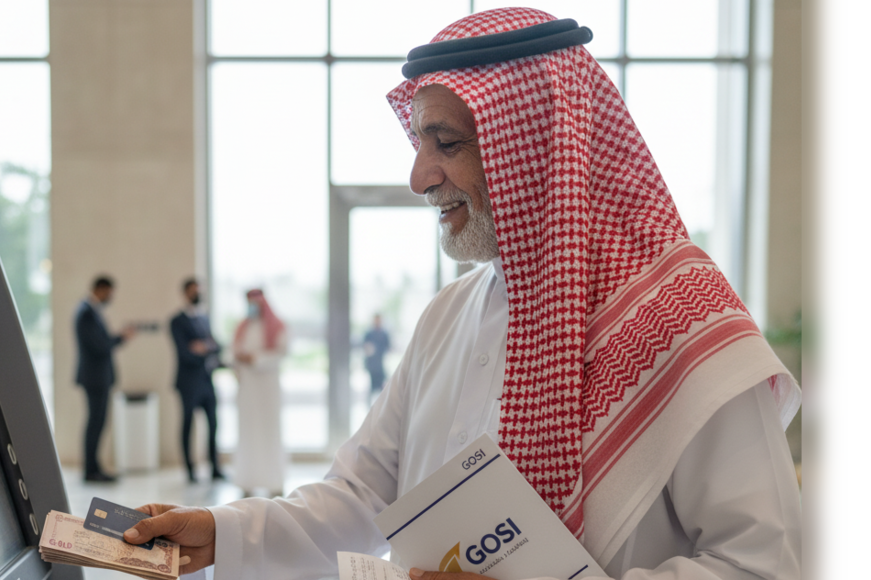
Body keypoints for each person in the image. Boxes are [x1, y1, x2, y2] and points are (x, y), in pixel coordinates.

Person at [124, 9, 802, 580]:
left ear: (536, 147)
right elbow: (363, 496)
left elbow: (758, 565)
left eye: (445, 143)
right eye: (420, 142)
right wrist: (220, 532)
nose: (419, 176)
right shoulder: (449, 314)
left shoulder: (684, 321)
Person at [74, 275, 135, 483]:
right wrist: (121, 338)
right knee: (95, 423)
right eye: (109, 293)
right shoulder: (86, 313)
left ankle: (94, 467)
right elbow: (99, 345)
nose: (110, 297)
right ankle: (90, 470)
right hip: (94, 378)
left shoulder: (91, 311)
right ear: (100, 289)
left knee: (98, 423)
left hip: (98, 378)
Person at [231, 289, 288, 497]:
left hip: (268, 388)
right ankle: (247, 481)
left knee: (269, 432)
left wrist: (255, 359)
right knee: (248, 433)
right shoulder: (243, 327)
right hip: (248, 389)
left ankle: (273, 481)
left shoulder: (277, 326)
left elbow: (281, 353)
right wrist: (239, 359)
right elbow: (232, 352)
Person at [170, 277, 224, 483]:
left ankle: (215, 467)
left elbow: (217, 345)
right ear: (185, 293)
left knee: (213, 424)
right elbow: (184, 353)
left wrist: (203, 347)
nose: (197, 294)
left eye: (199, 290)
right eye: (193, 290)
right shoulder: (177, 321)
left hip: (206, 380)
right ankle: (190, 469)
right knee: (187, 425)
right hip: (188, 382)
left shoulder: (204, 318)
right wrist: (203, 349)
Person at [363, 314, 391, 396]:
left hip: (380, 364)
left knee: (381, 386)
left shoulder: (384, 334)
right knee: (371, 387)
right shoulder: (369, 334)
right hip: (371, 365)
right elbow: (365, 346)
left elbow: (388, 347)